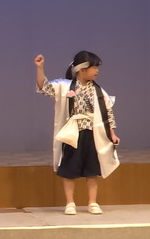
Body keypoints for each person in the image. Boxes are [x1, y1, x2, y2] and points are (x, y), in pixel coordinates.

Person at [34, 51, 120, 215]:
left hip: (92, 133)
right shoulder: (64, 86)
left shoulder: (99, 91)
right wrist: (40, 68)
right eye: (93, 67)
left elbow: (108, 113)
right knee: (69, 169)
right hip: (72, 133)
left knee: (92, 170)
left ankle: (92, 202)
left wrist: (112, 133)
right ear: (82, 70)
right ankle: (70, 202)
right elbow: (44, 87)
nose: (97, 71)